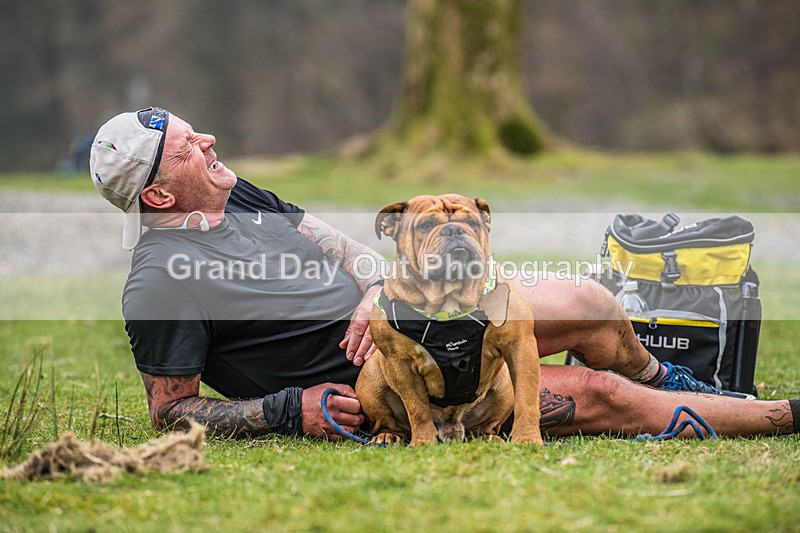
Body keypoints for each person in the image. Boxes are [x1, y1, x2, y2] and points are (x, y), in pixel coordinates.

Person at [89, 108, 800, 441]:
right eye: (187, 147)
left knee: (590, 300)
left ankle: (696, 392)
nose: (209, 140)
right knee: (596, 391)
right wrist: (281, 411)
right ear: (157, 195)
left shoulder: (237, 191)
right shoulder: (160, 282)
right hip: (394, 379)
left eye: (194, 129)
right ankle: (777, 418)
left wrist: (373, 285)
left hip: (419, 300)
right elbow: (168, 413)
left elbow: (339, 246)